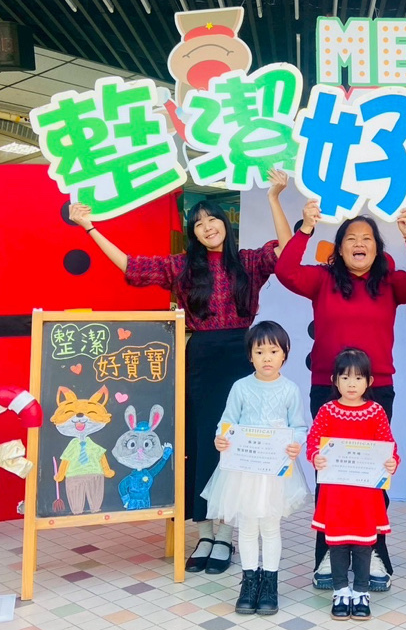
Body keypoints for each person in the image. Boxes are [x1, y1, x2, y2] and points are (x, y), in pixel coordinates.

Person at [68, 169, 293, 575]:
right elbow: (131, 267)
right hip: (202, 358)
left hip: (242, 358)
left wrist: (274, 198)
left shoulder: (248, 261)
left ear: (225, 223)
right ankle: (205, 532)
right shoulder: (182, 267)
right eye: (198, 223)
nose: (207, 227)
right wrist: (89, 227)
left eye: (213, 219)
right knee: (204, 443)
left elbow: (287, 252)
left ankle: (226, 535)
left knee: (236, 443)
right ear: (193, 232)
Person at [275, 201, 406, 590]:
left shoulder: (390, 283)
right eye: (350, 238)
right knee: (329, 472)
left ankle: (375, 552)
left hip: (377, 391)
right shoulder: (322, 280)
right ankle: (326, 554)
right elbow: (286, 271)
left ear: (377, 248)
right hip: (327, 391)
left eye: (367, 239)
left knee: (373, 473)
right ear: (339, 247)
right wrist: (306, 227)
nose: (359, 244)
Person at [202, 321, 308, 615]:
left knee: (270, 527)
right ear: (250, 355)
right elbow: (227, 421)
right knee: (247, 527)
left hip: (274, 473)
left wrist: (296, 443)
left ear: (285, 353)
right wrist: (221, 438)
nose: (267, 358)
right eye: (259, 352)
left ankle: (270, 584)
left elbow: (299, 426)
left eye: (273, 351)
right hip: (243, 471)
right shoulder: (241, 387)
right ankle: (249, 583)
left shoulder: (290, 389)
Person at [307, 349, 399, 620]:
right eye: (345, 377)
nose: (351, 384)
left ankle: (361, 592)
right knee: (336, 543)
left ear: (369, 382)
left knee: (363, 543)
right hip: (336, 493)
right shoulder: (327, 411)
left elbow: (388, 445)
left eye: (358, 378)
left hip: (365, 495)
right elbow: (314, 441)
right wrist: (316, 456)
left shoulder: (376, 412)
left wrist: (391, 461)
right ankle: (340, 591)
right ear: (334, 380)